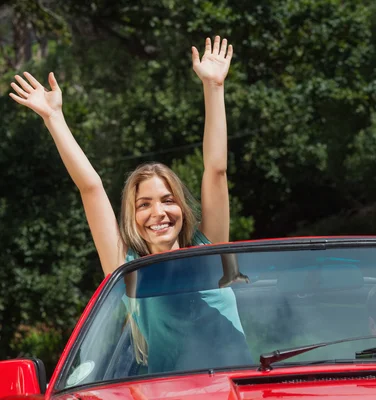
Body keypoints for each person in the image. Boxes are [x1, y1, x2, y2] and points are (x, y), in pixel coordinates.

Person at [10, 35, 252, 372]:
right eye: (144, 204)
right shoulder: (126, 269)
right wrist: (54, 118)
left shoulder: (207, 249)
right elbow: (91, 188)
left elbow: (216, 169)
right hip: (168, 393)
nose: (158, 212)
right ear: (133, 215)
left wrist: (213, 87)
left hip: (234, 385)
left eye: (168, 200)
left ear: (182, 207)